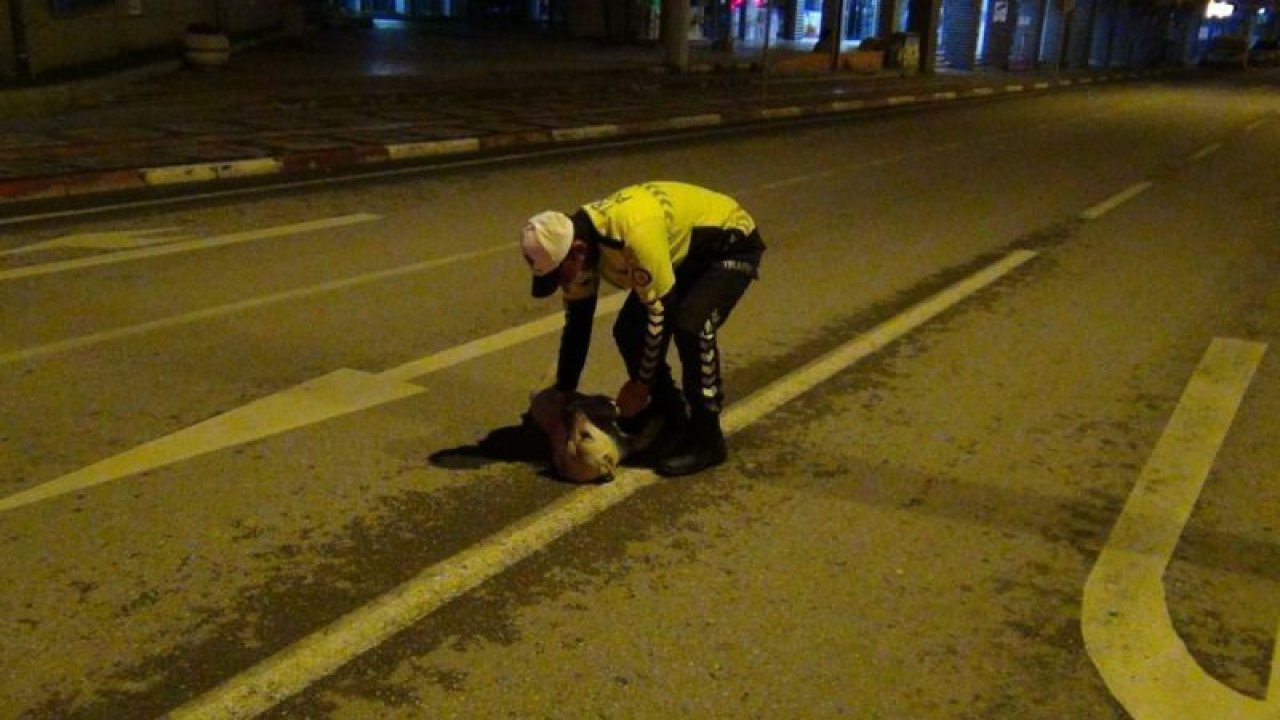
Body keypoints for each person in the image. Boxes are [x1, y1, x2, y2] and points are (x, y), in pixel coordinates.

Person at [519, 181, 765, 477]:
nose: (562, 282)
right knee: (628, 330)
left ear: (578, 251)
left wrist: (640, 386)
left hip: (728, 245)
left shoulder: (631, 235)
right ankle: (670, 414)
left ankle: (707, 438)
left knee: (692, 328)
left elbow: (661, 314)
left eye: (560, 275)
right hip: (682, 255)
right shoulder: (579, 248)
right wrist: (564, 391)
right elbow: (578, 325)